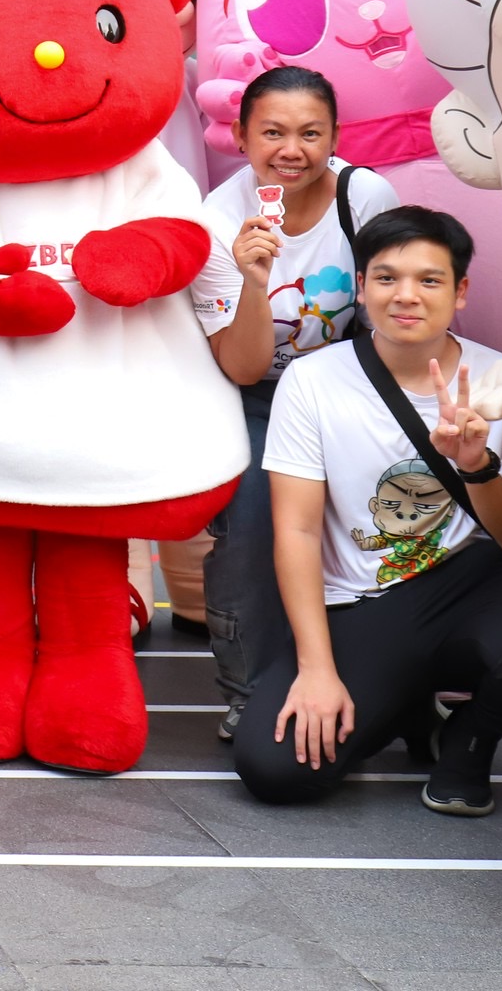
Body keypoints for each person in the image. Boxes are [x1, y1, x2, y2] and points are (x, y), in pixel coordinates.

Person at [235, 207, 502, 815]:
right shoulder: (312, 381)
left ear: (460, 291)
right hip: (363, 601)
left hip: (473, 582)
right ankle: (404, 704)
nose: (406, 295)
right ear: (361, 285)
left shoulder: (500, 382)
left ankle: (468, 741)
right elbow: (296, 529)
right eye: (386, 277)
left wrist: (475, 464)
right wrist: (316, 669)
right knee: (276, 770)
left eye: (429, 280)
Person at [189, 68, 401, 735]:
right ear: (240, 136)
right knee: (253, 519)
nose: (292, 150)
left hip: (349, 385)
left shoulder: (365, 197)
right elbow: (243, 364)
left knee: (386, 510)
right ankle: (248, 691)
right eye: (272, 133)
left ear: (335, 137)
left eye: (311, 134)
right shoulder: (216, 222)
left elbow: (395, 312)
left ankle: (398, 680)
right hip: (256, 395)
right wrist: (254, 281)